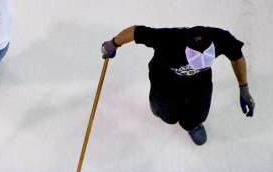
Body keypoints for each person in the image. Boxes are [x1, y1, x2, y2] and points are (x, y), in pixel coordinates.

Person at [102, 25, 254, 145]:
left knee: (199, 112)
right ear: (186, 50)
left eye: (204, 66)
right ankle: (157, 107)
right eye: (196, 65)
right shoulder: (167, 39)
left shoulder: (220, 38)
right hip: (165, 84)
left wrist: (244, 88)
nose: (198, 69)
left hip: (199, 85)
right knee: (168, 116)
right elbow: (135, 32)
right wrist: (113, 44)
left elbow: (237, 57)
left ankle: (193, 124)